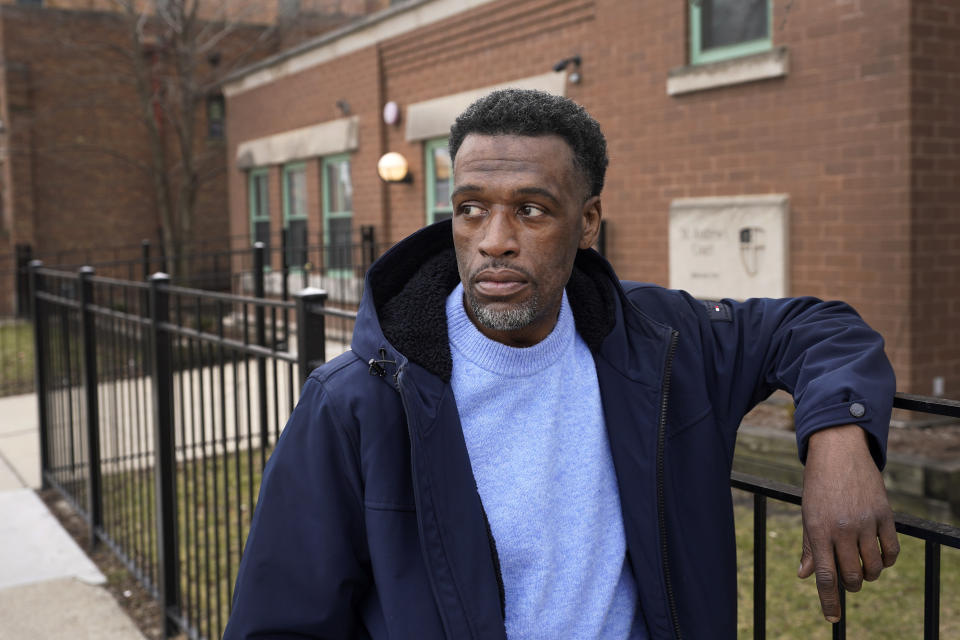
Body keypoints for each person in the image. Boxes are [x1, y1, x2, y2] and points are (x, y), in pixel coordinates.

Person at [223, 89, 899, 639]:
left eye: (532, 210)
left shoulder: (662, 344)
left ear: (588, 221)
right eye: (471, 209)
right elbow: (281, 623)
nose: (494, 241)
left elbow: (820, 327)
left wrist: (840, 437)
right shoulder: (358, 401)